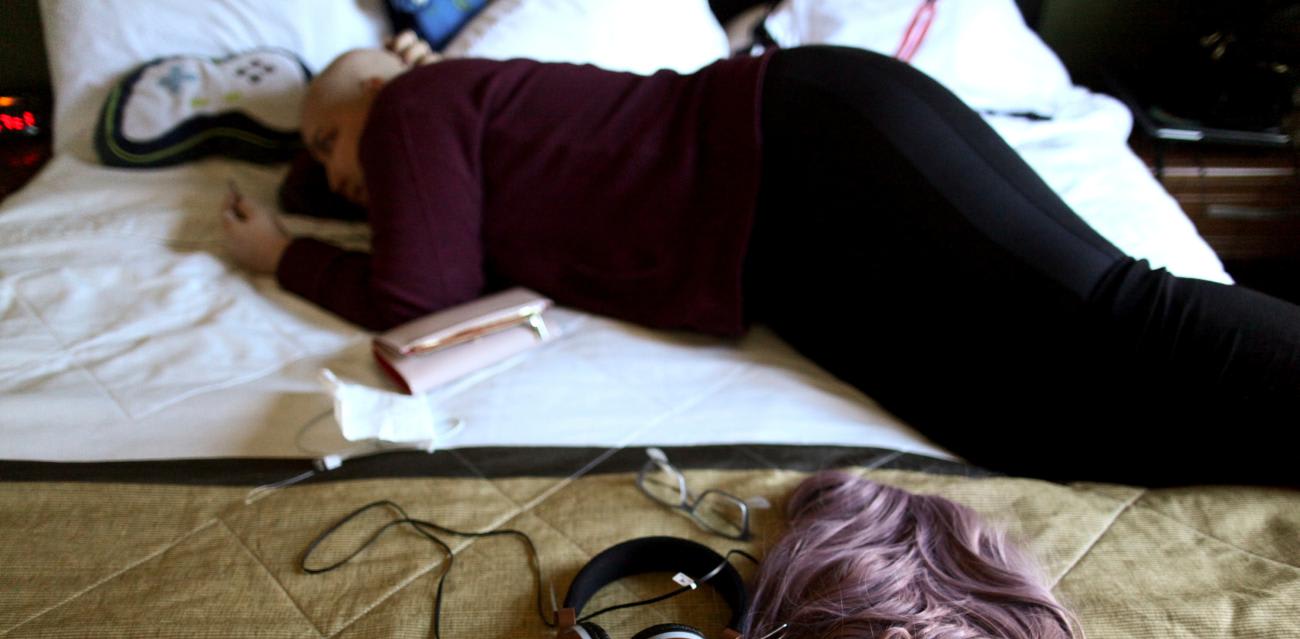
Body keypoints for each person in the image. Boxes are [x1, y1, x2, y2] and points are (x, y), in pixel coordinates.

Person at [222, 32, 1300, 487]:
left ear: (373, 90)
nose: (333, 174)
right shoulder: (436, 132)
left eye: (326, 139)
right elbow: (427, 259)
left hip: (807, 141)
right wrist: (316, 206)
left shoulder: (414, 99)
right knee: (1011, 423)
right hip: (780, 243)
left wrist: (282, 258)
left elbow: (418, 293)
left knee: (1112, 315)